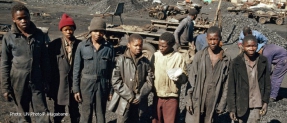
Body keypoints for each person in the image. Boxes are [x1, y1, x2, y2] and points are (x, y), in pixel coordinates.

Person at [1, 4, 50, 122]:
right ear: (14, 19)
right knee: (23, 115)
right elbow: (5, 63)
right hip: (18, 81)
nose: (23, 21)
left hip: (37, 80)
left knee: (43, 114)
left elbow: (45, 60)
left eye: (25, 17)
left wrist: (47, 80)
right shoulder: (9, 37)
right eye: (19, 19)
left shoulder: (39, 35)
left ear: (29, 17)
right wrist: (5, 88)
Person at [185, 26, 231, 123]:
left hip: (213, 100)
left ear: (220, 39)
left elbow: (227, 84)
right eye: (210, 39)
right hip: (197, 98)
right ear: (207, 39)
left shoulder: (226, 59)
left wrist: (222, 103)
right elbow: (192, 78)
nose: (213, 42)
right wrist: (189, 100)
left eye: (215, 39)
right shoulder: (200, 56)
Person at [73, 17, 114, 123]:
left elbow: (112, 71)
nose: (98, 34)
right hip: (86, 85)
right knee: (86, 114)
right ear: (90, 31)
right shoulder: (82, 46)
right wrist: (76, 89)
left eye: (101, 31)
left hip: (102, 85)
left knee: (101, 114)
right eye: (95, 31)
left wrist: (111, 90)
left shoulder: (109, 48)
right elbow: (76, 68)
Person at [108, 34, 153, 123]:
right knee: (123, 120)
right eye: (135, 45)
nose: (138, 48)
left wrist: (140, 95)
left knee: (137, 120)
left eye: (140, 45)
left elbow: (150, 81)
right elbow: (116, 81)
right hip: (125, 99)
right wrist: (130, 96)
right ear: (128, 45)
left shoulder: (145, 62)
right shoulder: (121, 60)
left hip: (139, 101)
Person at [227, 35, 271, 123]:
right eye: (248, 46)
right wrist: (232, 108)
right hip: (240, 103)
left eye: (254, 46)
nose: (251, 48)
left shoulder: (263, 60)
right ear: (243, 47)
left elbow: (267, 83)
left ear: (257, 46)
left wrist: (265, 101)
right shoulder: (236, 62)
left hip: (256, 103)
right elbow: (231, 86)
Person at [48, 13, 81, 123]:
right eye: (65, 29)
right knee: (58, 111)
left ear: (74, 29)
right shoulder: (54, 45)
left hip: (74, 85)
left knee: (74, 111)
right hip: (59, 85)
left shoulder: (80, 45)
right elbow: (50, 67)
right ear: (61, 30)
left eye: (70, 29)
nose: (68, 32)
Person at [151, 32, 187, 123]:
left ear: (171, 45)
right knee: (156, 120)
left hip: (171, 97)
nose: (161, 48)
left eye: (164, 46)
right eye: (159, 45)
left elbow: (185, 79)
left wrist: (179, 77)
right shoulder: (156, 56)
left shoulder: (178, 57)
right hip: (157, 96)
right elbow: (150, 73)